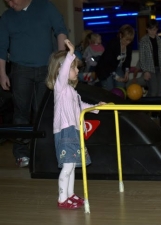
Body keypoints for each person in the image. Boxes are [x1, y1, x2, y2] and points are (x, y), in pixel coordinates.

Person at [0, 0, 68, 167]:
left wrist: (60, 63)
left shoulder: (46, 7)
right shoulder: (7, 17)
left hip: (46, 68)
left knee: (42, 112)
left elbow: (61, 31)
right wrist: (2, 74)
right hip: (20, 70)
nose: (10, 4)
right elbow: (1, 48)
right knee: (21, 112)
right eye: (6, 1)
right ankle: (21, 154)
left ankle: (41, 151)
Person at [45, 39, 106, 209]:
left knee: (71, 166)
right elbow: (64, 72)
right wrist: (70, 53)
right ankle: (62, 199)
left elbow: (81, 107)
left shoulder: (72, 92)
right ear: (62, 69)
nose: (77, 70)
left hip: (74, 131)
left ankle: (70, 195)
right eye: (74, 67)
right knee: (67, 167)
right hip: (65, 131)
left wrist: (96, 107)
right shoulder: (60, 87)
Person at [95, 24, 135, 90]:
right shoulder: (113, 44)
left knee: (121, 87)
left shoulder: (129, 45)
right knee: (110, 88)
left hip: (117, 67)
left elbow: (128, 59)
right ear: (121, 35)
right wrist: (117, 77)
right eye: (126, 40)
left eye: (130, 40)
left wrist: (127, 71)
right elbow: (107, 63)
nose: (127, 42)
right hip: (105, 69)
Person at [139, 19, 161, 97]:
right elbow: (142, 57)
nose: (152, 31)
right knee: (153, 91)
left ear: (157, 29)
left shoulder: (159, 41)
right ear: (147, 29)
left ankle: (157, 109)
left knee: (159, 92)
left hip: (159, 69)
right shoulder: (143, 41)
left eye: (154, 30)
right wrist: (145, 71)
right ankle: (149, 108)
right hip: (149, 69)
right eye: (150, 29)